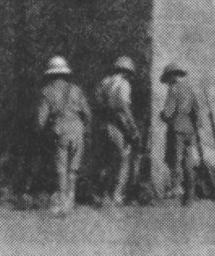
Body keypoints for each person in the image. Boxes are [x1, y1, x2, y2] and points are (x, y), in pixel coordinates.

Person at [36, 56, 91, 215]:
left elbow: (41, 120)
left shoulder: (47, 91)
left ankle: (62, 202)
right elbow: (87, 112)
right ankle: (71, 200)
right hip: (78, 129)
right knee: (73, 169)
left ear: (50, 74)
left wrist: (42, 132)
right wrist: (86, 129)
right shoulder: (76, 90)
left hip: (60, 130)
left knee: (61, 168)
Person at [95, 56, 138, 205]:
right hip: (118, 124)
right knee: (123, 159)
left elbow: (98, 102)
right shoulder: (124, 84)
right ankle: (117, 195)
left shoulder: (104, 82)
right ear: (127, 71)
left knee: (106, 160)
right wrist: (132, 126)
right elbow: (124, 106)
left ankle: (101, 194)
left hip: (103, 124)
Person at [159, 63, 200, 205]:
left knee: (175, 160)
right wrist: (195, 127)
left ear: (171, 76)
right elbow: (196, 109)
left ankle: (175, 193)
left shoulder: (173, 89)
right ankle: (189, 196)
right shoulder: (189, 89)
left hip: (176, 129)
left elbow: (168, 111)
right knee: (188, 162)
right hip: (189, 130)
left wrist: (163, 116)